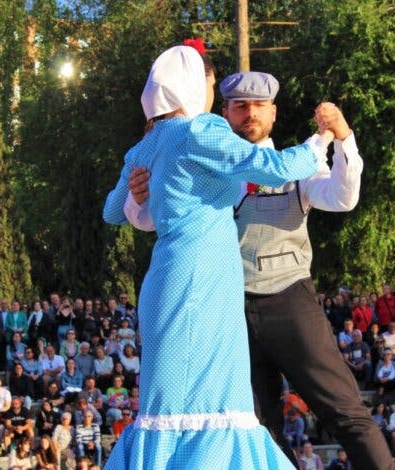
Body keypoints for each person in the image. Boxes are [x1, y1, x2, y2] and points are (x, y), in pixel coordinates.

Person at [121, 66, 392, 468]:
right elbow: (148, 220)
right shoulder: (195, 155)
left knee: (345, 410)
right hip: (225, 312)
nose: (250, 113)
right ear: (224, 113)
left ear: (273, 114)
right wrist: (136, 197)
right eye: (239, 106)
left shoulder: (294, 164)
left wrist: (344, 140)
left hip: (288, 303)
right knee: (250, 427)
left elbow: (342, 196)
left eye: (259, 106)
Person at [103, 44, 321, 468]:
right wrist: (320, 143)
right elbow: (272, 167)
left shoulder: (146, 145)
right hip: (203, 281)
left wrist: (135, 192)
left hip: (167, 278)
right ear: (192, 84)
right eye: (206, 82)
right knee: (220, 405)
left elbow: (112, 211)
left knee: (169, 408)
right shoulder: (200, 131)